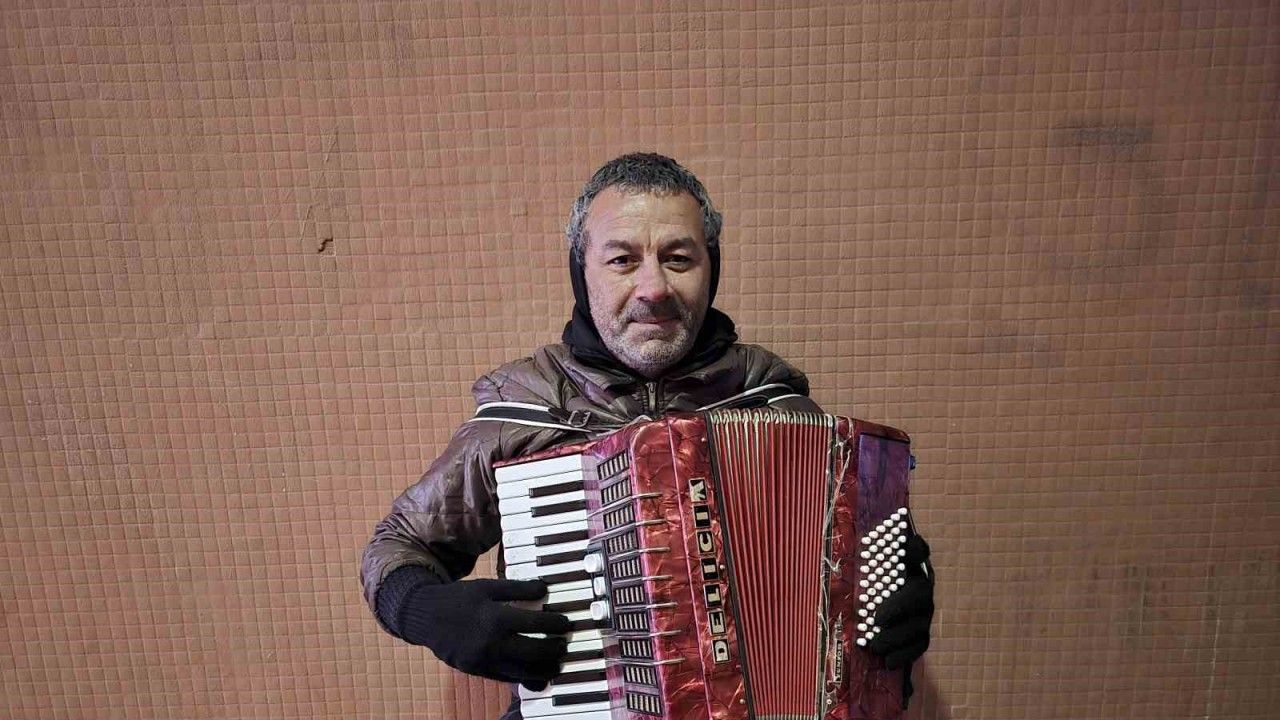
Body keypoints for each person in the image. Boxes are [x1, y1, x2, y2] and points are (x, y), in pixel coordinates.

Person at [360, 153, 935, 718]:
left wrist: (905, 588)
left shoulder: (776, 406)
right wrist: (428, 610)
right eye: (622, 260)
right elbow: (398, 544)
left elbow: (861, 560)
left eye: (678, 259)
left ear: (712, 268)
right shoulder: (526, 408)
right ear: (581, 271)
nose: (653, 288)